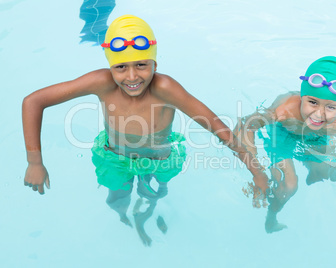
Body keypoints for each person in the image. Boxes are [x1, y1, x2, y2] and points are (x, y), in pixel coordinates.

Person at [22, 15, 269, 245]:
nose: (132, 76)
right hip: (114, 157)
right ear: (110, 67)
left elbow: (219, 129)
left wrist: (256, 171)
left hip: (159, 160)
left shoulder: (166, 89)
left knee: (153, 192)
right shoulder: (101, 83)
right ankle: (124, 218)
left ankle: (147, 213)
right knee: (116, 198)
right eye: (120, 67)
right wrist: (35, 162)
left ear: (155, 62)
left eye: (141, 65)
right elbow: (33, 101)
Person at [234, 56, 336, 238]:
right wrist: (257, 171)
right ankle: (271, 217)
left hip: (315, 139)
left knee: (327, 172)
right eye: (312, 102)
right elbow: (245, 126)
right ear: (302, 97)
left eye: (330, 107)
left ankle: (312, 173)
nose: (318, 114)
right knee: (289, 185)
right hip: (283, 135)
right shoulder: (284, 111)